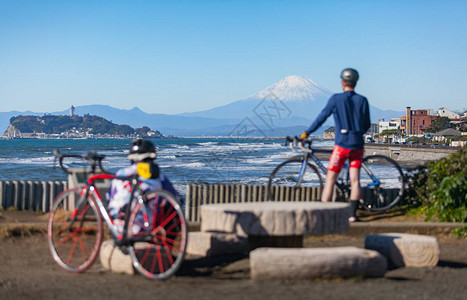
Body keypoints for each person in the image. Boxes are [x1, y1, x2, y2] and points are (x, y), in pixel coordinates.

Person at [300, 68, 370, 222]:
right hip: (357, 145)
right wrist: (358, 134)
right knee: (355, 180)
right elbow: (366, 124)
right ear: (356, 82)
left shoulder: (336, 99)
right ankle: (352, 214)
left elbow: (321, 118)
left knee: (331, 178)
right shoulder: (362, 100)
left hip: (342, 145)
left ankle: (324, 212)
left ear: (343, 82)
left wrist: (306, 133)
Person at [107, 138, 183, 234]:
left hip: (118, 230)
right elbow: (176, 198)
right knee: (172, 207)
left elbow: (109, 198)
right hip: (145, 229)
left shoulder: (120, 174)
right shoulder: (157, 176)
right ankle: (167, 246)